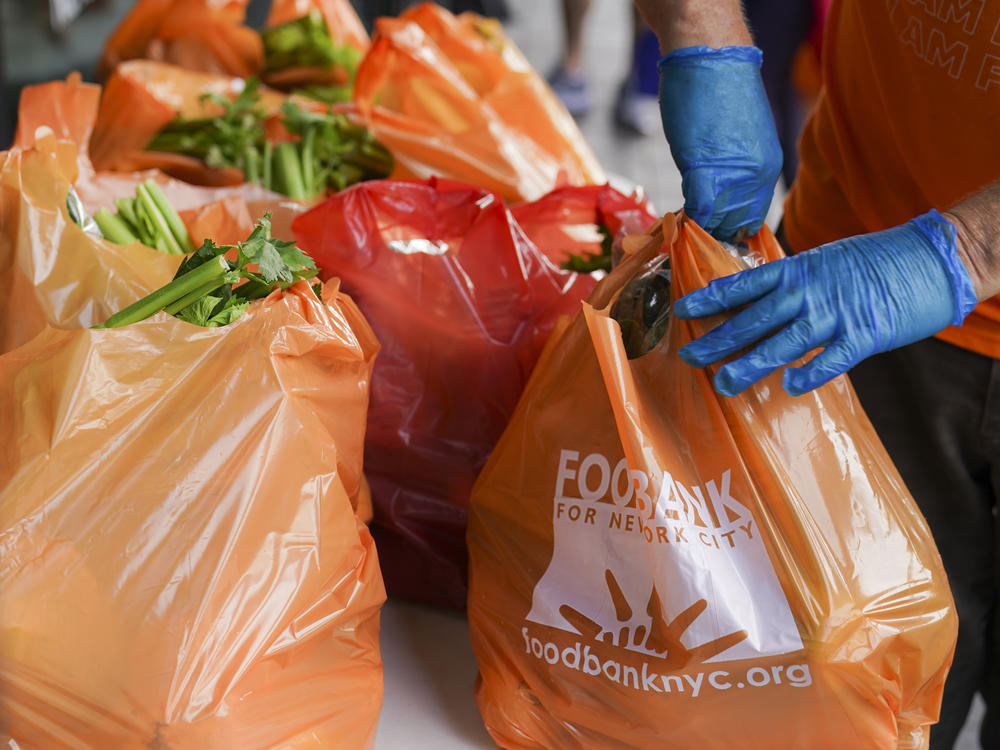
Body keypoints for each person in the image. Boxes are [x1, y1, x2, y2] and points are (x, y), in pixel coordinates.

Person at [635, 1, 1000, 748]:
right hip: (848, 301)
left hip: (890, 280)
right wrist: (702, 33)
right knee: (851, 679)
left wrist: (965, 249)